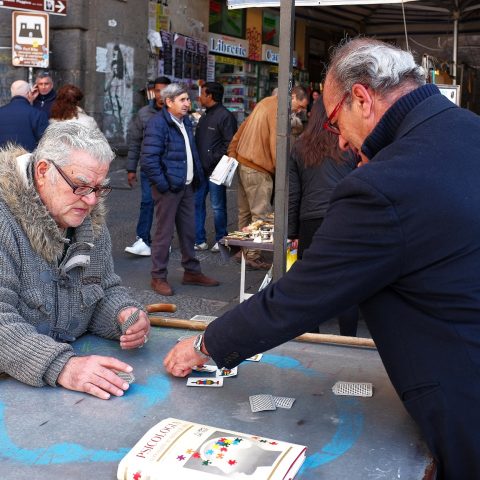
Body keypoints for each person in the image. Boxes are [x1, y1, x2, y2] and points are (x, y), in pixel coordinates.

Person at [164, 37, 480, 479]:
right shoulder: (467, 127)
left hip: (463, 397)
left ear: (362, 99)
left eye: (335, 123)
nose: (343, 143)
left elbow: (301, 295)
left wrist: (206, 343)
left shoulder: (384, 183)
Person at [0, 121, 150, 400]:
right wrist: (63, 366)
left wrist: (124, 314)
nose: (91, 200)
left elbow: (101, 288)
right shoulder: (3, 220)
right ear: (43, 171)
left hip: (53, 401)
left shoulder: (88, 221)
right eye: (80, 186)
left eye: (99, 188)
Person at [141, 83, 220, 297]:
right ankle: (158, 277)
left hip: (185, 186)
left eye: (187, 99)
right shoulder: (158, 124)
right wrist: (164, 185)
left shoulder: (184, 121)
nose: (187, 104)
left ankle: (192, 272)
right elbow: (149, 160)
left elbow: (189, 151)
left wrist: (196, 178)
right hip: (169, 187)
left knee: (189, 231)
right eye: (182, 100)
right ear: (169, 102)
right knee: (163, 234)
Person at [288, 99, 358, 336]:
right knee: (346, 284)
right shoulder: (349, 145)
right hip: (345, 218)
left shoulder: (300, 146)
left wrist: (292, 232)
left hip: (310, 221)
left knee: (310, 285)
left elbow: (293, 194)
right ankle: (348, 339)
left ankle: (313, 337)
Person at [227, 85, 308, 270]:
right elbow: (276, 145)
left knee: (245, 213)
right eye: (301, 106)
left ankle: (243, 251)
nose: (301, 110)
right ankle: (252, 256)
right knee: (260, 215)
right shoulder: (279, 110)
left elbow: (242, 129)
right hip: (258, 168)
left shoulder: (264, 103)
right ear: (293, 96)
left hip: (244, 163)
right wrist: (284, 176)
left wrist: (233, 152)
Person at [124, 76, 171, 257]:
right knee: (147, 202)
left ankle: (163, 240)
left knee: (166, 205)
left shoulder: (175, 113)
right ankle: (143, 239)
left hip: (169, 169)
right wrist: (130, 169)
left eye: (165, 91)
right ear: (154, 92)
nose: (161, 95)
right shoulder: (144, 113)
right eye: (158, 91)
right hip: (148, 168)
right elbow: (135, 143)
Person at [194, 81, 237, 253]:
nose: (200, 97)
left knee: (218, 206)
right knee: (196, 204)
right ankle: (199, 240)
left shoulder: (225, 116)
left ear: (210, 96)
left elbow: (230, 143)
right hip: (200, 170)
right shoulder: (204, 115)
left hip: (217, 170)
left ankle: (221, 239)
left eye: (202, 94)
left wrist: (212, 158)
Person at [0, 80, 48, 151]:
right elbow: (45, 142)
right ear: (28, 93)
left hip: (3, 159)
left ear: (12, 93)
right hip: (27, 159)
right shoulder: (38, 114)